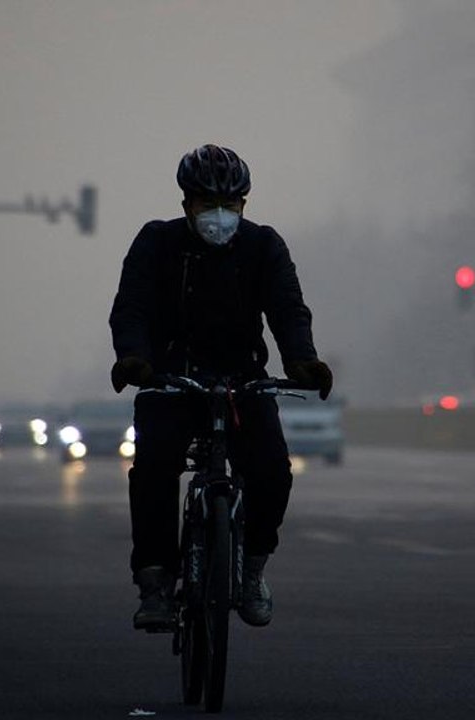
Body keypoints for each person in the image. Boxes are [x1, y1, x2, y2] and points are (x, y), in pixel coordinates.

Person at [109, 144, 333, 631]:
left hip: (242, 382)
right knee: (152, 470)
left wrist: (301, 360)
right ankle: (155, 583)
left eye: (229, 206)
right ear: (186, 204)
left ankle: (251, 570)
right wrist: (135, 360)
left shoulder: (263, 246)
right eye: (207, 204)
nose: (219, 216)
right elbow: (132, 307)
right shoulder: (156, 243)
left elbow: (288, 309)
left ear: (244, 207)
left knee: (272, 470)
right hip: (171, 380)